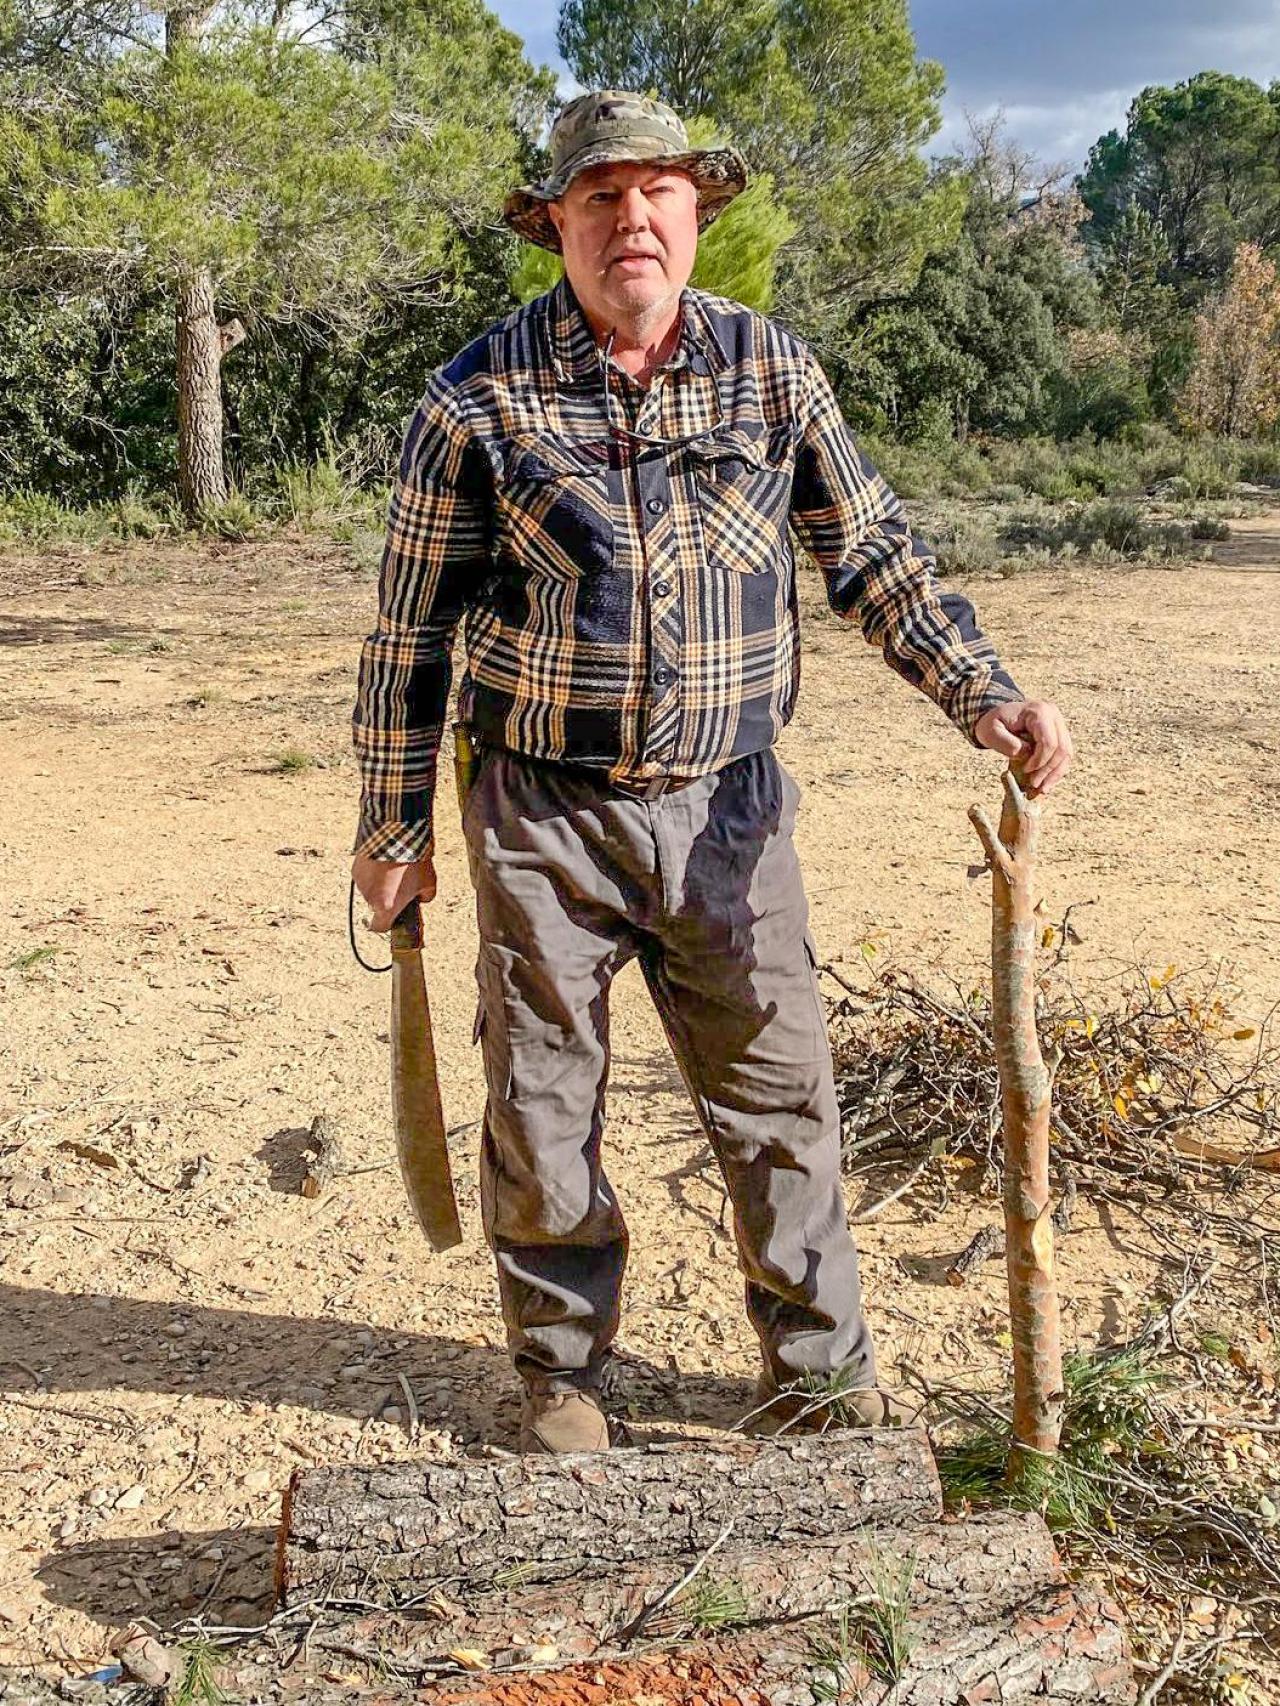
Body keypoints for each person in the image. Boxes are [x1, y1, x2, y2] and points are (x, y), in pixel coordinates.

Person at [350, 90, 1073, 1455]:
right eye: (602, 196)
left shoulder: (769, 369)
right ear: (555, 222)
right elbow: (408, 636)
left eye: (659, 193)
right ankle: (562, 1374)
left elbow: (875, 555)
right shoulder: (475, 398)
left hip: (731, 810)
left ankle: (819, 1370)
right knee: (543, 1105)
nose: (634, 218)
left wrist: (987, 693)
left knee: (781, 1090)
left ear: (698, 214)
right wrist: (390, 824)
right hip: (541, 815)